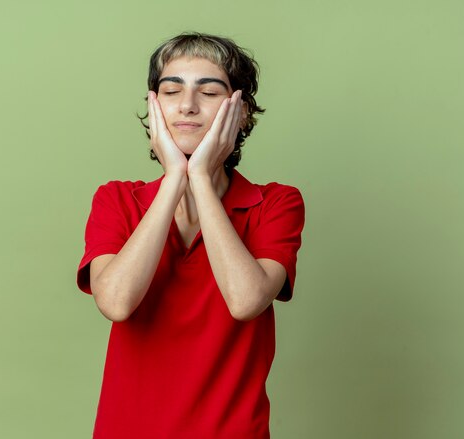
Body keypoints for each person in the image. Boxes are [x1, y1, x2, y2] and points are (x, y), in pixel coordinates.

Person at [76, 32, 305, 439]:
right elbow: (115, 302)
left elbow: (245, 300)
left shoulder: (276, 204)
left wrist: (198, 174)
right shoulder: (116, 200)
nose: (187, 105)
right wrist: (173, 180)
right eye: (171, 90)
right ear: (154, 105)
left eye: (210, 90)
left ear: (242, 112)